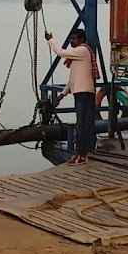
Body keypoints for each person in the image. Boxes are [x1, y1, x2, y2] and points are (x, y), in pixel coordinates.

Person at [45, 28, 100, 165]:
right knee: (82, 124)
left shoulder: (82, 51)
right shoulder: (77, 57)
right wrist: (61, 95)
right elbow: (72, 80)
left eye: (74, 39)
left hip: (84, 93)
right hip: (80, 92)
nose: (71, 41)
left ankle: (82, 154)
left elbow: (60, 52)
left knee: (82, 124)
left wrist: (50, 40)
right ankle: (80, 153)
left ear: (81, 40)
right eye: (71, 38)